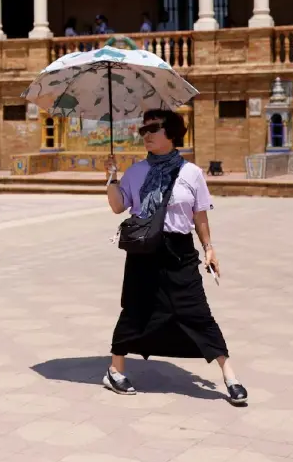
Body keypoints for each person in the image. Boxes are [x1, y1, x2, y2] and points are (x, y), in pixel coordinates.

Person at [103, 109, 247, 405]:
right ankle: (115, 371)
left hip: (179, 251)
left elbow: (199, 215)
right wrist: (111, 177)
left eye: (153, 128)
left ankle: (229, 376)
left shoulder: (191, 172)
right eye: (143, 130)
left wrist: (209, 248)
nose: (146, 135)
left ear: (171, 132)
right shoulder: (136, 171)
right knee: (135, 309)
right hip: (144, 251)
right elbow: (119, 207)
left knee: (197, 311)